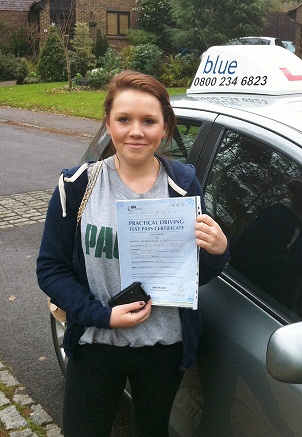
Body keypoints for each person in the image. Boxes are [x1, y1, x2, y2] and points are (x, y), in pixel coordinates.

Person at [36, 70, 229, 437]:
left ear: (165, 128)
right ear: (108, 123)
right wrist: (102, 315)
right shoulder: (76, 186)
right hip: (96, 343)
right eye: (124, 119)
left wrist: (218, 251)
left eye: (149, 121)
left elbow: (190, 273)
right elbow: (51, 269)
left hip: (163, 348)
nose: (136, 131)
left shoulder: (183, 185)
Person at [231, 179, 302, 319]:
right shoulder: (280, 219)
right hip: (240, 314)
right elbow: (243, 265)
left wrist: (301, 311)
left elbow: (281, 287)